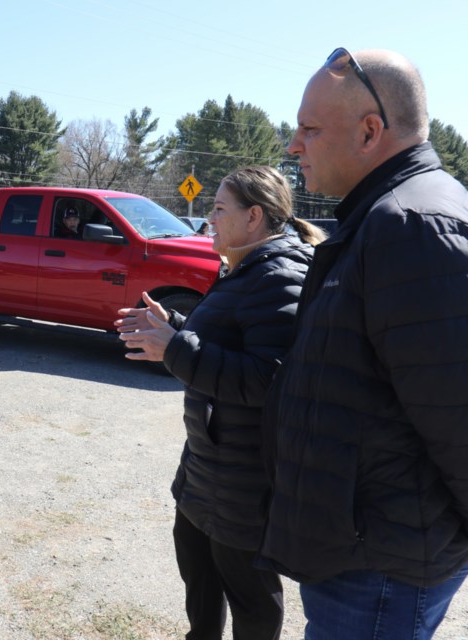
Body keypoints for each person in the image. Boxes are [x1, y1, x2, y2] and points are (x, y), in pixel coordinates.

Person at [259, 48, 468, 639]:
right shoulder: (383, 216)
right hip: (364, 552)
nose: (293, 145)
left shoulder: (412, 224)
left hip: (382, 566)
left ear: (371, 130)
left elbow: (458, 414)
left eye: (309, 128)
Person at [116, 166, 325, 639]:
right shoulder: (245, 266)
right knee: (201, 583)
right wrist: (175, 323)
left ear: (254, 217)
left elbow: (268, 379)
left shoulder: (279, 275)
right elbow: (231, 338)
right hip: (206, 469)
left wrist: (175, 346)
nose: (207, 219)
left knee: (252, 602)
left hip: (243, 479)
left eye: (218, 209)